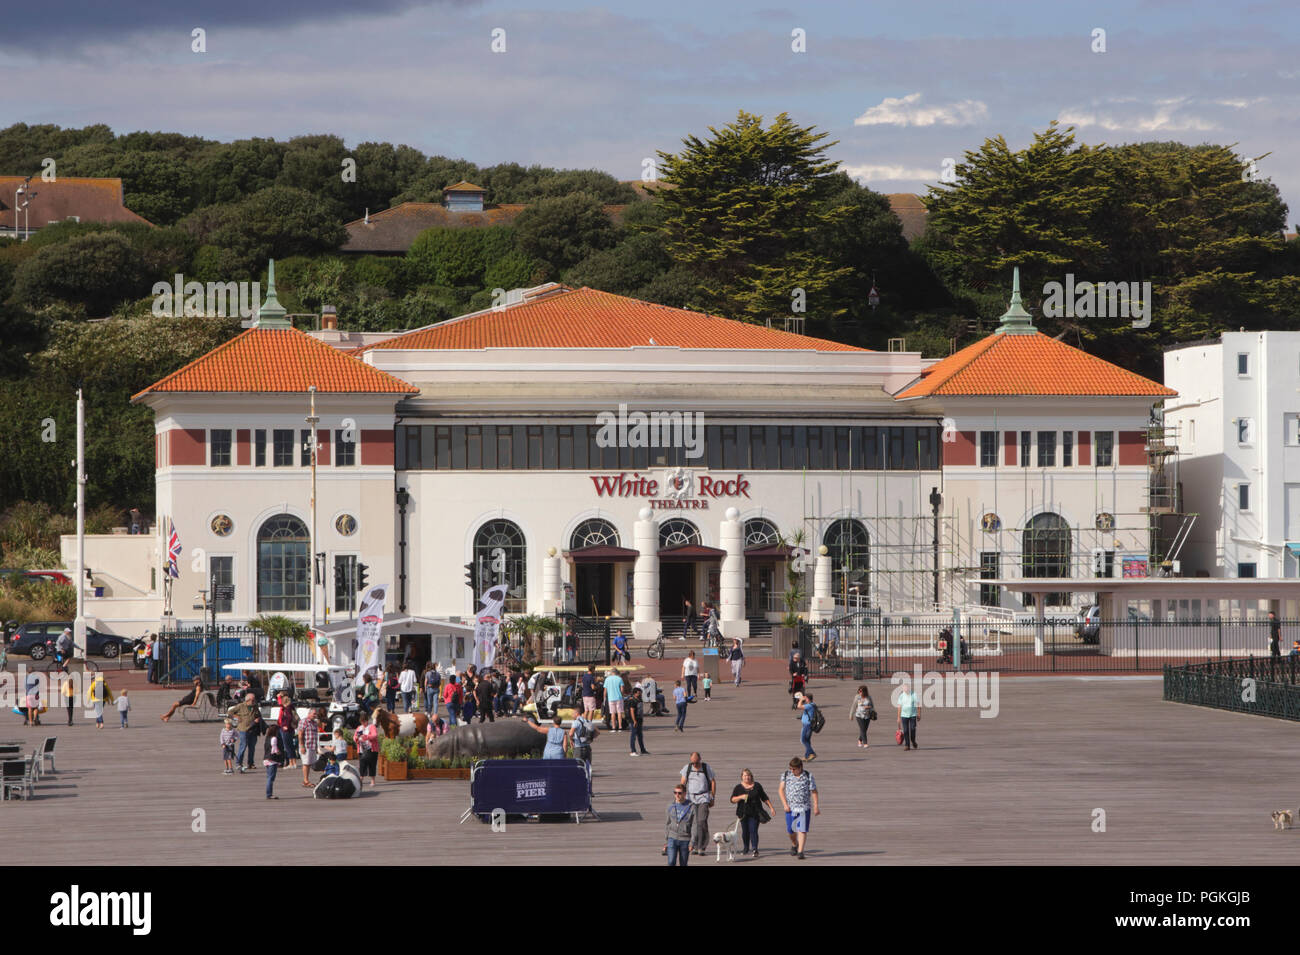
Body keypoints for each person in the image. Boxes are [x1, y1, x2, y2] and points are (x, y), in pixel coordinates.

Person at [778, 757, 819, 860]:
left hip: (804, 807)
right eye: (790, 768)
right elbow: (780, 790)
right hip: (790, 808)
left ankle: (801, 851)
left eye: (794, 769)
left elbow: (814, 792)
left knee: (802, 830)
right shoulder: (786, 775)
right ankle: (794, 844)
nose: (792, 770)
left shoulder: (808, 776)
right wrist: (785, 804)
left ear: (800, 767)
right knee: (790, 830)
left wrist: (816, 806)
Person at [730, 769, 776, 858]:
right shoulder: (738, 788)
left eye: (748, 775)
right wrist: (741, 797)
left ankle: (755, 849)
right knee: (745, 831)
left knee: (753, 830)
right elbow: (732, 799)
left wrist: (771, 808)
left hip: (755, 812)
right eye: (745, 776)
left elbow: (764, 797)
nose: (747, 777)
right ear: (741, 777)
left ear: (751, 776)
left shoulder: (757, 786)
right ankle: (746, 848)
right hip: (743, 813)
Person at [679, 752, 716, 857]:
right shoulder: (687, 768)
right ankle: (694, 845)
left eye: (696, 762)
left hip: (703, 797)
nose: (694, 764)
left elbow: (713, 781)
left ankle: (702, 846)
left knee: (702, 821)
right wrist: (680, 796)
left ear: (700, 759)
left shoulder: (706, 767)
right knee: (693, 822)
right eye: (693, 762)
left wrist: (712, 797)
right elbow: (682, 783)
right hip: (690, 798)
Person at [227, 692, 261, 773]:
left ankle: (251, 763)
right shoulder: (241, 706)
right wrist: (236, 717)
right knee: (243, 746)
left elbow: (258, 715)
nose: (254, 701)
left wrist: (258, 719)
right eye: (253, 700)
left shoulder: (255, 706)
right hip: (243, 729)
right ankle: (239, 763)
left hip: (253, 729)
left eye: (254, 700)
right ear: (248, 700)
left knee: (252, 747)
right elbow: (230, 712)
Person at [665, 784, 695, 866]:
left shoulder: (691, 807)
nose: (677, 795)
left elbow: (695, 826)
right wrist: (666, 840)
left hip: (685, 839)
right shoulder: (670, 806)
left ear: (685, 794)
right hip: (672, 838)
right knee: (671, 862)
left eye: (679, 793)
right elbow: (667, 823)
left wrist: (692, 842)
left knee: (683, 863)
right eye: (675, 793)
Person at [298, 708, 321, 788]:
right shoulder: (304, 721)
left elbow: (315, 735)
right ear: (309, 713)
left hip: (312, 745)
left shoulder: (314, 723)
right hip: (306, 745)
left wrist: (316, 748)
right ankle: (305, 780)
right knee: (306, 763)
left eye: (316, 714)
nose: (315, 715)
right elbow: (300, 734)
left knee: (310, 763)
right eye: (314, 714)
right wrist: (302, 746)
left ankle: (306, 780)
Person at [355, 716, 380, 787]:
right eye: (361, 722)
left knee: (372, 765)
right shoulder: (359, 728)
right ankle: (360, 780)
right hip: (361, 749)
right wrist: (356, 738)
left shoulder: (372, 726)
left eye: (364, 721)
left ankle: (373, 781)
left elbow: (375, 735)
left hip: (372, 749)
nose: (363, 723)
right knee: (362, 764)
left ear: (367, 720)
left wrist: (366, 736)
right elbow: (354, 736)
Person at [263, 725, 287, 799]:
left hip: (266, 759)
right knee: (271, 778)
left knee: (269, 777)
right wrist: (279, 752)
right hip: (272, 759)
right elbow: (274, 748)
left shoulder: (267, 738)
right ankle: (269, 794)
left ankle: (269, 793)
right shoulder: (274, 738)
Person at [897, 679, 920, 751]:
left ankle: (913, 741)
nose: (906, 689)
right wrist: (898, 717)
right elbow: (899, 707)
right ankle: (907, 745)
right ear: (903, 689)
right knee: (906, 730)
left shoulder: (914, 694)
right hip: (904, 715)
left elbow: (918, 705)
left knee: (913, 729)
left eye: (907, 688)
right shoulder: (901, 696)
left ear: (909, 688)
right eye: (904, 688)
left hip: (913, 715)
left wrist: (919, 714)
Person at [627, 686, 649, 756]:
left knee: (640, 736)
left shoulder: (639, 700)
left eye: (640, 693)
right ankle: (633, 751)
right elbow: (632, 711)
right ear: (635, 693)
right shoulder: (632, 701)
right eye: (639, 693)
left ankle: (643, 750)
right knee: (633, 736)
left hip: (639, 720)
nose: (640, 694)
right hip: (634, 720)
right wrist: (634, 721)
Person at [604, 666, 626, 731]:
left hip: (611, 698)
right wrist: (622, 695)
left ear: (611, 672)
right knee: (619, 713)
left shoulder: (607, 679)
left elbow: (605, 690)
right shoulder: (619, 679)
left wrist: (604, 698)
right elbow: (622, 689)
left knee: (612, 713)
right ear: (617, 672)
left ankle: (613, 727)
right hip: (619, 697)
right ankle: (620, 727)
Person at [798, 691, 818, 760]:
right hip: (809, 724)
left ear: (807, 699)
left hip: (807, 725)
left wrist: (800, 700)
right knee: (807, 740)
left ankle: (812, 753)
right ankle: (807, 756)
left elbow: (799, 706)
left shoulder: (809, 705)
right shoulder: (813, 704)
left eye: (805, 698)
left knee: (803, 740)